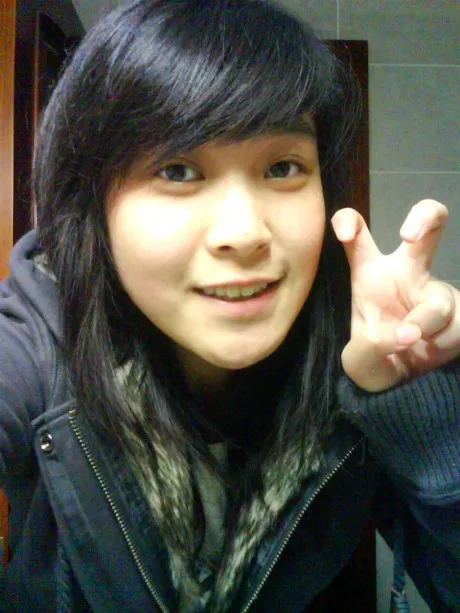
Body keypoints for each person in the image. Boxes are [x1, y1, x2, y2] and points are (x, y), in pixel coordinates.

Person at [0, 0, 458, 611]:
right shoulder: (34, 346)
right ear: (92, 204)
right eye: (178, 170)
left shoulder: (358, 353)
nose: (245, 234)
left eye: (283, 167)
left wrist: (418, 402)